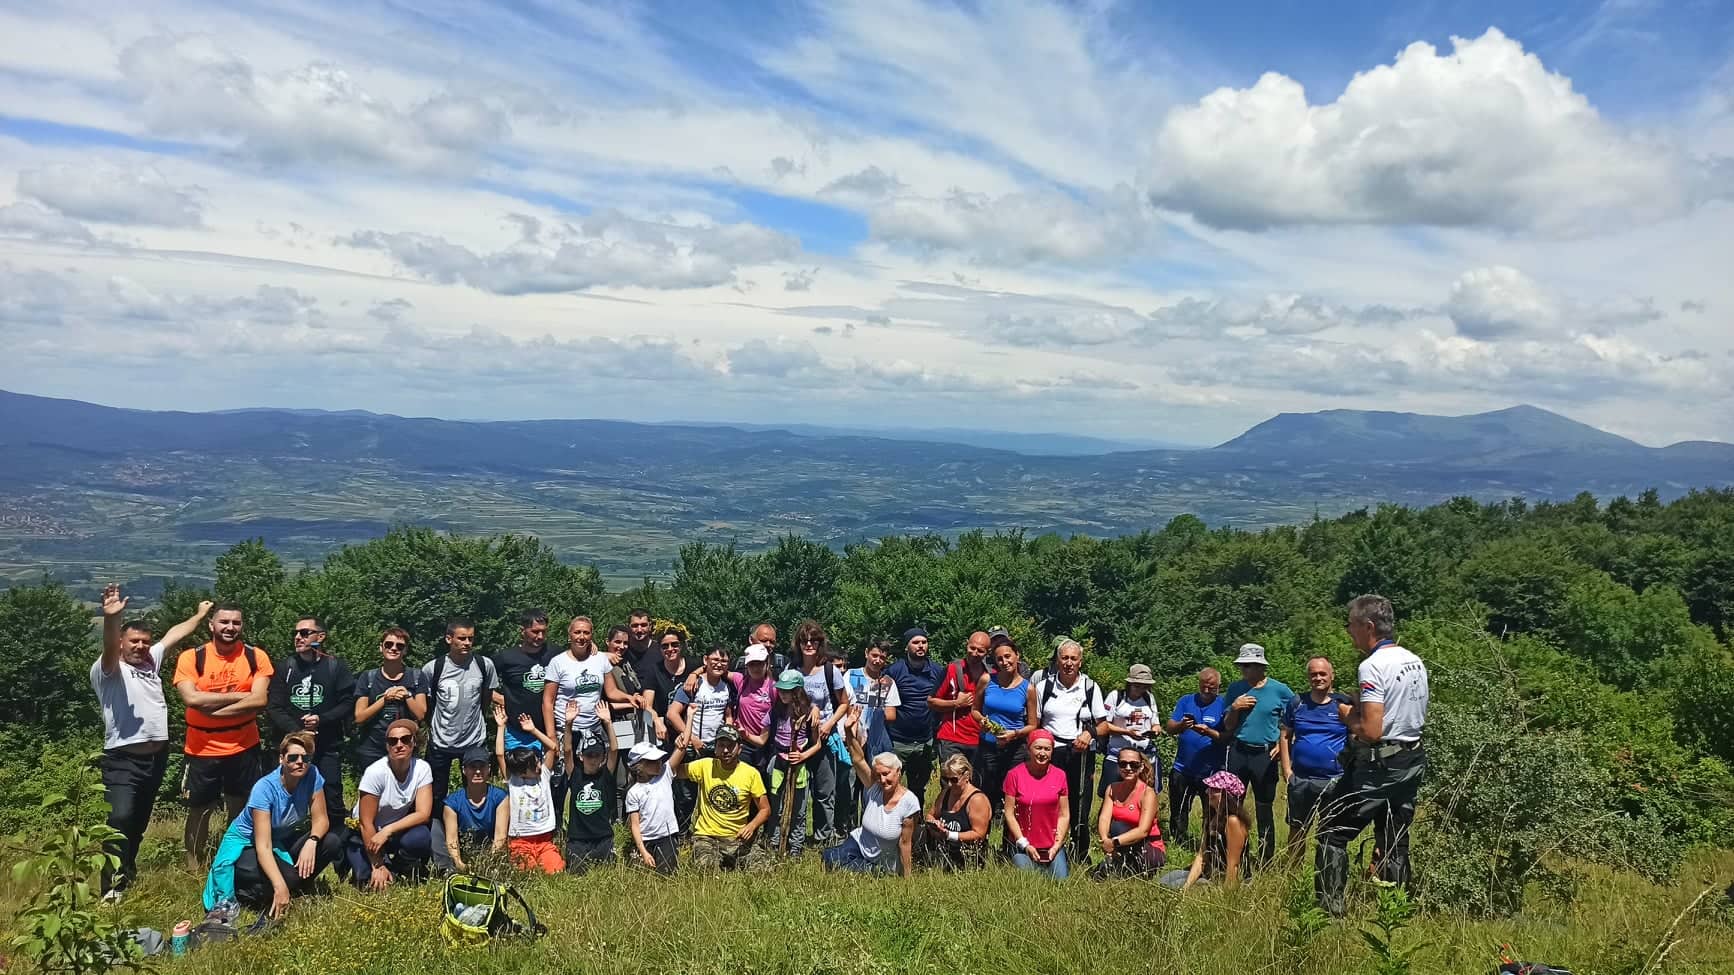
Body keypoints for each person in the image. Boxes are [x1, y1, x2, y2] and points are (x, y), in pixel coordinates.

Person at [92, 584, 210, 900]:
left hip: (156, 757)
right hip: (122, 759)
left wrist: (199, 615)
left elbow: (174, 634)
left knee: (140, 820)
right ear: (121, 643)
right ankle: (111, 888)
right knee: (119, 818)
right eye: (134, 642)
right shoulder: (110, 670)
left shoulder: (151, 662)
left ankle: (127, 870)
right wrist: (112, 618)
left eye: (145, 642)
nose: (141, 647)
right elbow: (107, 645)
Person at [1316, 595, 1430, 915]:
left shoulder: (1372, 665)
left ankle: (1329, 911)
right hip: (1411, 758)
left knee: (1332, 831)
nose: (1348, 631)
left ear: (1368, 626)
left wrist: (1347, 714)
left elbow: (1371, 730)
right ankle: (1396, 910)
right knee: (1394, 836)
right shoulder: (1414, 660)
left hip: (1379, 765)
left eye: (1350, 624)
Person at [174, 603, 274, 871]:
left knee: (241, 809)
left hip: (244, 745)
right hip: (201, 747)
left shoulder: (256, 656)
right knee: (198, 810)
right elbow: (191, 698)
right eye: (224, 622)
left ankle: (233, 863)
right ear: (211, 625)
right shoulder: (191, 658)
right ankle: (194, 867)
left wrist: (214, 709)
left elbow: (261, 699)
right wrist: (242, 696)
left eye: (236, 623)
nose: (230, 628)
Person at [203, 731, 343, 918]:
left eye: (306, 757)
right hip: (247, 843)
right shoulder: (264, 788)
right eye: (293, 757)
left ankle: (297, 886)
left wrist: (312, 840)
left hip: (278, 840)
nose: (300, 762)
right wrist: (280, 885)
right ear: (281, 759)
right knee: (285, 879)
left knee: (332, 841)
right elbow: (264, 846)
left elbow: (321, 820)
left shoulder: (312, 775)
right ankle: (248, 892)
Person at [266, 615, 354, 821]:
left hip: (326, 746)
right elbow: (274, 707)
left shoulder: (335, 667)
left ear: (320, 637)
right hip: (292, 747)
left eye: (305, 633)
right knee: (283, 799)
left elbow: (347, 703)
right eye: (296, 633)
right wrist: (298, 732)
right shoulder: (285, 667)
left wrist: (321, 719)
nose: (298, 637)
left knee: (331, 797)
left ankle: (333, 844)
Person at [1028, 637, 1106, 863]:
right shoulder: (1044, 687)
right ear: (1057, 660)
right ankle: (1049, 848)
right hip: (1051, 753)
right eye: (1064, 658)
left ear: (1080, 662)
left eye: (1073, 658)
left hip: (1081, 752)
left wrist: (1089, 734)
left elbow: (1103, 724)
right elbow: (1036, 723)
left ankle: (1080, 852)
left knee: (1080, 802)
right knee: (1049, 800)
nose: (1068, 663)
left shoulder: (1090, 687)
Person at [1220, 642, 1296, 870]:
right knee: (1233, 808)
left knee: (1264, 808)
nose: (1245, 670)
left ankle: (1265, 858)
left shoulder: (1280, 691)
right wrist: (1235, 707)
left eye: (1249, 666)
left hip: (1265, 755)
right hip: (1239, 751)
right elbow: (1227, 726)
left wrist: (1285, 746)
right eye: (1242, 666)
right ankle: (1236, 858)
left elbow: (1296, 720)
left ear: (1261, 666)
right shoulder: (1235, 689)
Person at [822, 707, 920, 876]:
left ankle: (870, 870)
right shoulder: (875, 787)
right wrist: (848, 731)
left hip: (882, 858)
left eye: (886, 774)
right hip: (859, 843)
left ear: (898, 772)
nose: (882, 780)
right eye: (878, 775)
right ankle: (860, 866)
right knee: (829, 859)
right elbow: (858, 758)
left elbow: (905, 843)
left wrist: (907, 881)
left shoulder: (909, 803)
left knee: (846, 867)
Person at [346, 718, 435, 890]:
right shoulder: (375, 772)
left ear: (414, 742)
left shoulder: (422, 769)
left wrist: (388, 831)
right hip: (365, 832)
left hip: (391, 831)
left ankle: (400, 866)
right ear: (387, 746)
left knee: (421, 837)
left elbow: (423, 814)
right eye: (393, 741)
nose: (399, 745)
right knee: (366, 882)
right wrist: (377, 864)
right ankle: (362, 858)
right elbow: (366, 823)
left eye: (405, 739)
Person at [540, 615, 607, 833]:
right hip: (565, 729)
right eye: (577, 632)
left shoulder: (599, 659)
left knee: (594, 779)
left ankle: (593, 824)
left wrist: (631, 698)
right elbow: (548, 701)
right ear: (569, 635)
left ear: (592, 635)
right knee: (559, 781)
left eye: (586, 632)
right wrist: (551, 736)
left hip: (593, 730)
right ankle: (557, 826)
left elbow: (612, 691)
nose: (581, 637)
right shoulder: (558, 662)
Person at [422, 617, 498, 807]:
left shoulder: (484, 664)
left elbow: (486, 698)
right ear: (449, 639)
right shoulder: (433, 668)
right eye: (462, 638)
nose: (467, 643)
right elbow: (427, 705)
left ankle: (473, 830)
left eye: (470, 638)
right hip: (441, 741)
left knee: (476, 790)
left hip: (473, 740)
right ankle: (437, 831)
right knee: (436, 793)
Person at [1281, 656, 1351, 857]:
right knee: (1297, 830)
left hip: (1335, 780)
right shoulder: (1297, 703)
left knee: (1331, 832)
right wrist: (1287, 769)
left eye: (1322, 673)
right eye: (1313, 674)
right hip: (1301, 779)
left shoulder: (1343, 704)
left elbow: (1355, 738)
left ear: (1332, 676)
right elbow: (1285, 735)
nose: (1318, 678)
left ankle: (1326, 874)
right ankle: (1293, 875)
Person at [678, 726, 771, 872]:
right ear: (715, 748)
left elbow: (765, 809)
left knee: (762, 868)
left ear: (739, 748)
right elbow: (672, 770)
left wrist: (751, 826)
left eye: (730, 746)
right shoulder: (705, 766)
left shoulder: (751, 773)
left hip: (736, 838)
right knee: (705, 868)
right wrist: (680, 747)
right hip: (707, 837)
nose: (726, 750)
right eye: (721, 746)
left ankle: (732, 864)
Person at [793, 620, 851, 845]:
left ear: (820, 643)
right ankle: (795, 836)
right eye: (804, 640)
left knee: (824, 791)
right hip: (798, 736)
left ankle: (822, 837)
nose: (809, 644)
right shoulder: (793, 669)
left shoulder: (830, 670)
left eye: (814, 640)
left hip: (824, 736)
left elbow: (844, 703)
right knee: (800, 789)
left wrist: (829, 724)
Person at [353, 628, 428, 778]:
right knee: (373, 797)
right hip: (372, 748)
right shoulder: (368, 678)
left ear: (405, 650)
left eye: (399, 646)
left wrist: (407, 696)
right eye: (389, 644)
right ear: (381, 647)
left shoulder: (417, 676)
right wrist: (384, 700)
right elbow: (359, 717)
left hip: (405, 747)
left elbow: (421, 714)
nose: (393, 648)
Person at [1163, 668, 1226, 846]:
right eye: (1203, 686)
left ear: (1218, 686)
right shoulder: (1186, 700)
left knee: (1212, 812)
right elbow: (1169, 727)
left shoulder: (1223, 704)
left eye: (1211, 687)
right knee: (1179, 809)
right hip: (1183, 768)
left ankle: (1209, 844)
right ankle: (1179, 843)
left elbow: (1227, 736)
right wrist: (1182, 725)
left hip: (1211, 770)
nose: (1206, 690)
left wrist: (1209, 732)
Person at [972, 638, 1032, 826]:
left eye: (1008, 656)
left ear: (1017, 656)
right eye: (999, 659)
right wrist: (982, 720)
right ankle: (982, 841)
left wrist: (1014, 734)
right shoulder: (987, 680)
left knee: (1012, 796)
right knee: (986, 794)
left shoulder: (1028, 688)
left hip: (1014, 749)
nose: (1005, 662)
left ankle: (1009, 845)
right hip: (988, 745)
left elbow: (1033, 724)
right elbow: (975, 709)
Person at [497, 707, 563, 874]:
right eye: (534, 764)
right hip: (520, 841)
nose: (539, 765)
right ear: (522, 771)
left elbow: (553, 748)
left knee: (555, 870)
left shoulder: (544, 776)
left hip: (544, 840)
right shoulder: (514, 781)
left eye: (538, 761)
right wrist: (501, 727)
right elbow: (499, 755)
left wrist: (533, 730)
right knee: (527, 873)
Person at [765, 669, 824, 855]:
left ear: (797, 691)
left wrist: (802, 756)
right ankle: (774, 842)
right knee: (777, 806)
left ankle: (795, 846)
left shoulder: (808, 714)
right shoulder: (776, 711)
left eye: (787, 690)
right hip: (779, 762)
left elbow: (817, 745)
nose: (782, 694)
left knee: (799, 808)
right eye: (781, 690)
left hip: (799, 764)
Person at [1161, 769, 1249, 891]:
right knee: (1166, 880)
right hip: (1209, 871)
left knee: (1173, 886)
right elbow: (1202, 856)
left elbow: (1233, 864)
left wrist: (1227, 894)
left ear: (1226, 794)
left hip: (1222, 878)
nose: (1208, 792)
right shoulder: (1211, 818)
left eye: (1214, 789)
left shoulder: (1233, 821)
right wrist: (1186, 887)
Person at [1004, 730, 1070, 878]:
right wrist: (1024, 843)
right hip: (1024, 844)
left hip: (1051, 844)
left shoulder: (1060, 775)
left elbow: (1064, 814)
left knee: (1061, 882)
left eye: (1047, 749)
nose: (1042, 753)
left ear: (1052, 751)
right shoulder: (1014, 775)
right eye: (1038, 748)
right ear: (1029, 749)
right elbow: (1009, 813)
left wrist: (1057, 844)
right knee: (1030, 879)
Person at [886, 627, 941, 804]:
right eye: (915, 642)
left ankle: (917, 824)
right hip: (898, 740)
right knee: (891, 785)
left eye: (924, 642)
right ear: (907, 646)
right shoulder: (894, 671)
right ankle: (891, 824)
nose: (920, 646)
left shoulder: (937, 671)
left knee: (918, 788)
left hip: (925, 740)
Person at [432, 747, 507, 874]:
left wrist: (486, 863)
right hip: (465, 848)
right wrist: (460, 864)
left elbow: (501, 836)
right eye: (472, 767)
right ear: (464, 770)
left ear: (488, 769)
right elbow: (451, 840)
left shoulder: (500, 798)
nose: (477, 771)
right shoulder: (452, 802)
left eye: (482, 766)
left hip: (491, 852)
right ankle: (447, 869)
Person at [1092, 748, 1164, 879]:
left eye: (1134, 764)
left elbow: (1143, 830)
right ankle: (1120, 864)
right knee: (1117, 826)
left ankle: (1127, 867)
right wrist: (1105, 839)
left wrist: (1113, 843)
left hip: (1147, 845)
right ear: (1118, 766)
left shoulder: (1148, 793)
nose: (1128, 768)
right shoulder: (1112, 788)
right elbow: (1104, 818)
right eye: (1123, 764)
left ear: (1141, 767)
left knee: (1119, 828)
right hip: (1119, 843)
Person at [564, 717, 621, 873]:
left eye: (597, 755)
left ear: (602, 757)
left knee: (607, 873)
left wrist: (608, 723)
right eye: (589, 755)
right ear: (581, 757)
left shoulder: (605, 776)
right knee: (576, 874)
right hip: (578, 839)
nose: (593, 760)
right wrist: (568, 724)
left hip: (602, 837)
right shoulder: (575, 775)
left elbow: (614, 750)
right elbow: (567, 751)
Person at [932, 631, 990, 780]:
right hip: (952, 738)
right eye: (972, 648)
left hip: (979, 740)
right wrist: (956, 703)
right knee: (951, 785)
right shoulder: (952, 669)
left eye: (980, 650)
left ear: (987, 653)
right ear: (966, 645)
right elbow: (931, 701)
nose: (975, 653)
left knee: (975, 786)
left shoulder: (991, 675)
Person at [494, 609, 553, 753]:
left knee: (548, 775)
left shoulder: (554, 654)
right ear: (523, 630)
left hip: (547, 731)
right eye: (535, 631)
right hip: (516, 734)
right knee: (517, 775)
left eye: (543, 632)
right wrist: (502, 699)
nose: (540, 636)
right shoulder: (506, 657)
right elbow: (481, 681)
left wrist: (594, 649)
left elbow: (577, 659)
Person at [1099, 664, 1161, 795]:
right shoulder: (1116, 697)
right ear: (1130, 683)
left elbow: (1155, 723)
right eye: (1137, 685)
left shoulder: (1149, 698)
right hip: (1117, 755)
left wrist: (1155, 730)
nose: (1141, 689)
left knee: (1143, 795)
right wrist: (1127, 732)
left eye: (1144, 686)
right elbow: (1104, 725)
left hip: (1144, 755)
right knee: (1111, 794)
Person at [922, 753, 990, 870]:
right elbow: (929, 815)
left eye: (954, 779)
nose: (949, 784)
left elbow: (979, 835)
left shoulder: (977, 800)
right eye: (945, 779)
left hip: (968, 859)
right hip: (942, 854)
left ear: (967, 776)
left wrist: (950, 835)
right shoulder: (945, 793)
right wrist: (934, 824)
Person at [624, 740, 680, 874]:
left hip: (667, 836)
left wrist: (689, 720)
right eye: (653, 761)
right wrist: (643, 851)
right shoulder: (633, 792)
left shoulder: (665, 775)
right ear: (639, 766)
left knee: (666, 874)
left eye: (659, 759)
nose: (659, 763)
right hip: (646, 839)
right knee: (642, 873)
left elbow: (680, 750)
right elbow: (635, 825)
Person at [669, 644, 739, 750]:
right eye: (715, 660)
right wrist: (691, 738)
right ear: (706, 660)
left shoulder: (727, 687)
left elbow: (728, 716)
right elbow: (672, 714)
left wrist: (727, 737)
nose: (719, 664)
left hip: (716, 746)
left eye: (724, 661)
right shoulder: (693, 685)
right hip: (693, 746)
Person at [730, 644, 777, 782]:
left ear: (767, 663)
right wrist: (694, 674)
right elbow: (717, 669)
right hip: (743, 744)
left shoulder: (773, 688)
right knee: (743, 783)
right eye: (752, 664)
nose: (756, 668)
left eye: (759, 664)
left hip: (766, 744)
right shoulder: (741, 681)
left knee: (763, 785)